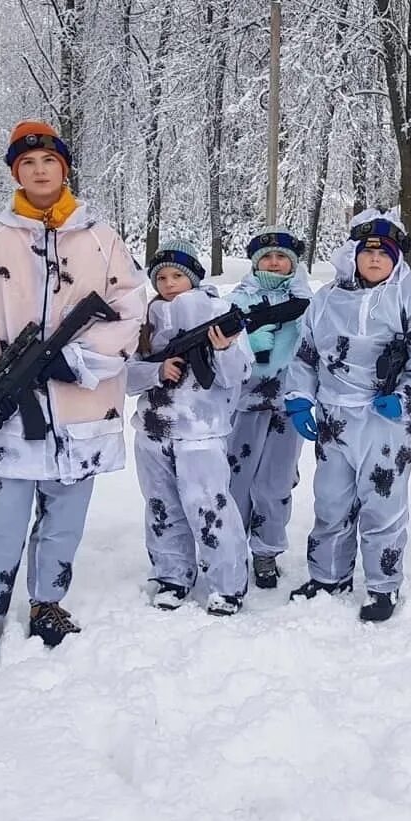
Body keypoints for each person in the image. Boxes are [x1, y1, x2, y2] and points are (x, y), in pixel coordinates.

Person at [0, 121, 146, 679]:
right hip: (13, 411)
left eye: (47, 161)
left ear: (64, 169)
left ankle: (47, 601)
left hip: (83, 407)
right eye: (26, 163)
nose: (38, 171)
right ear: (15, 173)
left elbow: (130, 309)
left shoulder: (102, 238)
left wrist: (78, 361)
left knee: (64, 521)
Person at [283, 209, 411, 623]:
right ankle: (328, 577)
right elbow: (305, 353)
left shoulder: (407, 298)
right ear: (353, 254)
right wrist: (300, 398)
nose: (375, 259)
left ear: (396, 260)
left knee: (383, 504)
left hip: (383, 420)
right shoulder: (325, 300)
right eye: (368, 251)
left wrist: (408, 395)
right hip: (334, 418)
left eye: (385, 253)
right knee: (331, 500)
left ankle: (382, 586)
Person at [126, 239, 253, 615]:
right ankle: (171, 576)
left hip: (201, 432)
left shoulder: (219, 312)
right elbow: (124, 376)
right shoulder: (144, 320)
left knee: (210, 507)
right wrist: (156, 371)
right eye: (161, 276)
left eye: (177, 275)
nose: (168, 283)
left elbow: (239, 374)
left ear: (194, 277)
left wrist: (226, 349)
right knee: (162, 506)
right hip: (152, 431)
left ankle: (227, 584)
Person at [225, 227, 312, 589]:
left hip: (287, 405)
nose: (274, 263)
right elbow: (218, 345)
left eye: (282, 257)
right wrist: (245, 340)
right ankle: (229, 548)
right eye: (267, 257)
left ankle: (266, 551)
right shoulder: (237, 299)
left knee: (275, 481)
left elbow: (317, 349)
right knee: (236, 480)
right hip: (243, 404)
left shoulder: (308, 301)